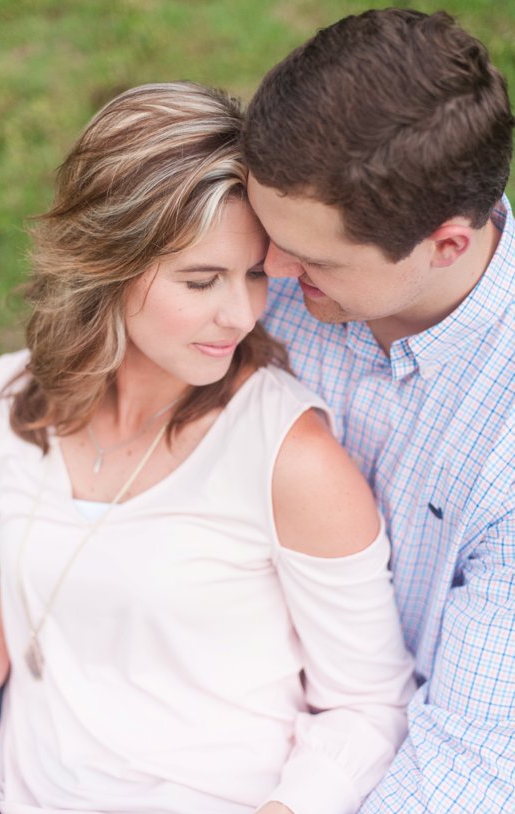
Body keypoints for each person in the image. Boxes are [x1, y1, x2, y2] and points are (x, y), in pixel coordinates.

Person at [0, 82, 416, 814]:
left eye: (252, 276)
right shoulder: (0, 402)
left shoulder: (290, 458)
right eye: (201, 280)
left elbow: (369, 707)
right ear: (107, 264)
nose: (239, 314)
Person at [241, 9, 515, 812]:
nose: (268, 270)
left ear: (448, 245)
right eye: (267, 230)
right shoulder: (272, 271)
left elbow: (470, 764)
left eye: (314, 259)